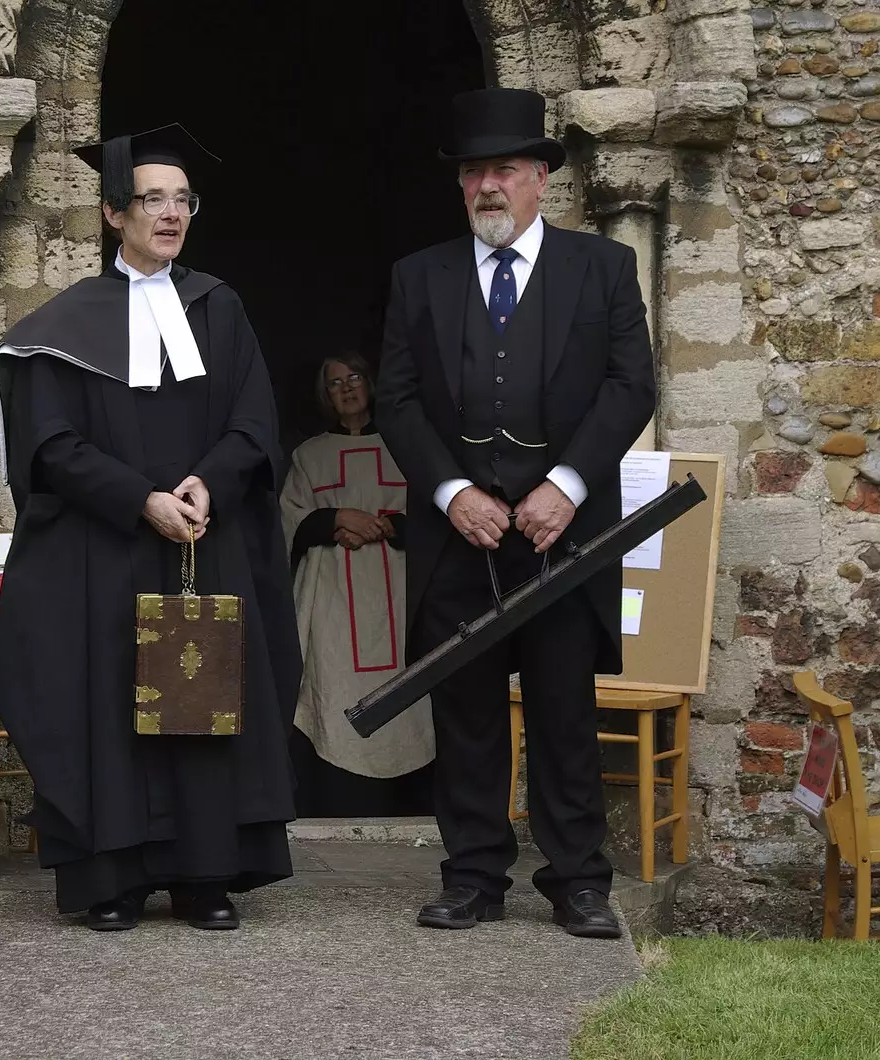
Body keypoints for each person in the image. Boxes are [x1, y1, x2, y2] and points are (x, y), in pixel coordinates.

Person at [0, 124, 301, 933]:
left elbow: (254, 420)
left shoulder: (219, 307)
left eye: (182, 200)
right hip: (106, 552)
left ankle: (205, 876)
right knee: (108, 705)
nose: (170, 214)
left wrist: (209, 484)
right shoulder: (63, 325)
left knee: (202, 699)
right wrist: (140, 499)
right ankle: (111, 881)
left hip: (205, 542)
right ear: (111, 214)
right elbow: (50, 446)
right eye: (152, 199)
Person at [375, 89, 656, 939]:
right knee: (463, 713)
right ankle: (472, 878)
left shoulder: (601, 268)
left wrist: (565, 485)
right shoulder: (417, 276)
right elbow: (398, 399)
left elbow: (630, 386)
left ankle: (576, 880)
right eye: (472, 173)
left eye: (503, 170)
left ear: (541, 179)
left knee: (564, 707)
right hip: (460, 536)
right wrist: (452, 493)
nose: (487, 187)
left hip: (559, 533)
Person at [280, 353, 433, 818]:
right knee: (328, 686)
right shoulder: (309, 455)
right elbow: (287, 521)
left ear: (372, 383)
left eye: (354, 378)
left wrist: (388, 527)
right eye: (334, 384)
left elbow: (435, 512)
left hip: (397, 592)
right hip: (331, 596)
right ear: (324, 396)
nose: (346, 389)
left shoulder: (408, 446)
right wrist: (334, 519)